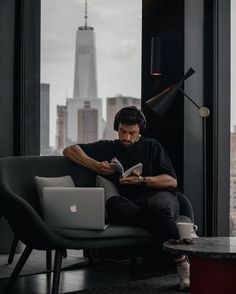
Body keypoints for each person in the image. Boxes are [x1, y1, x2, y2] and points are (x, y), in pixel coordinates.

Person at [63, 106, 190, 290]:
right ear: (117, 127)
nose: (126, 137)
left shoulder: (151, 146)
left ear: (140, 131)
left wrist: (143, 180)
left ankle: (181, 261)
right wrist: (96, 166)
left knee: (157, 208)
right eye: (123, 131)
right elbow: (69, 150)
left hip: (159, 196)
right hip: (132, 205)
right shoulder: (109, 147)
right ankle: (175, 235)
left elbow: (171, 181)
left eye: (132, 133)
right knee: (113, 204)